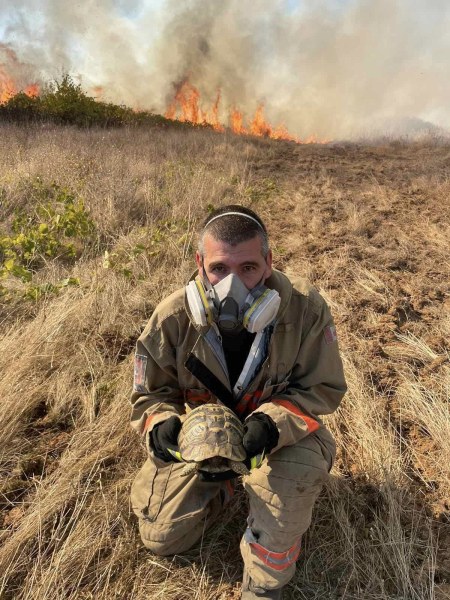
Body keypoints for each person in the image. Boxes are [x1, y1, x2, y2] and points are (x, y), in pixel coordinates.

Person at [130, 205, 347, 599]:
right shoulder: (172, 318)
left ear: (268, 262)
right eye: (218, 269)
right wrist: (160, 422)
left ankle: (264, 584)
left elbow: (323, 388)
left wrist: (271, 425)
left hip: (283, 439)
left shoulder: (305, 308)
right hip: (205, 441)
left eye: (247, 268)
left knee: (288, 495)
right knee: (161, 536)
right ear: (199, 264)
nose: (233, 285)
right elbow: (150, 394)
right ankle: (230, 485)